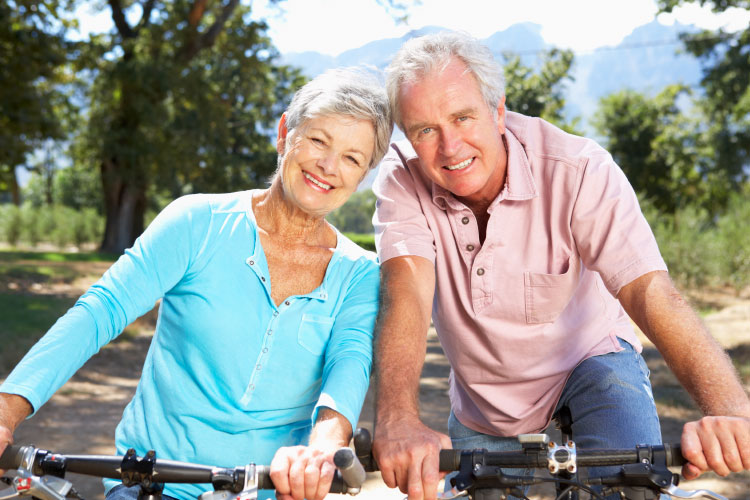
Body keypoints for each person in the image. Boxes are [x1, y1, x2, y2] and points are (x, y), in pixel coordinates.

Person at [371, 30, 750, 500]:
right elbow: (405, 291)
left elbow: (648, 290)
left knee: (632, 486)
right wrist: (397, 419)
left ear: (497, 111)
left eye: (463, 117)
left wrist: (733, 413)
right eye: (425, 130)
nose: (450, 147)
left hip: (591, 360)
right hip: (485, 393)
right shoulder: (401, 179)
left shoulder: (579, 168)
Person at [0, 67, 393, 500]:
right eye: (318, 140)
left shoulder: (360, 273)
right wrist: (6, 410)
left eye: (352, 158)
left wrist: (323, 448)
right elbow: (101, 311)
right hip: (151, 483)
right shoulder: (197, 222)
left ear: (363, 175)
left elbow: (349, 364)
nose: (328, 166)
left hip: (267, 490)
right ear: (285, 134)